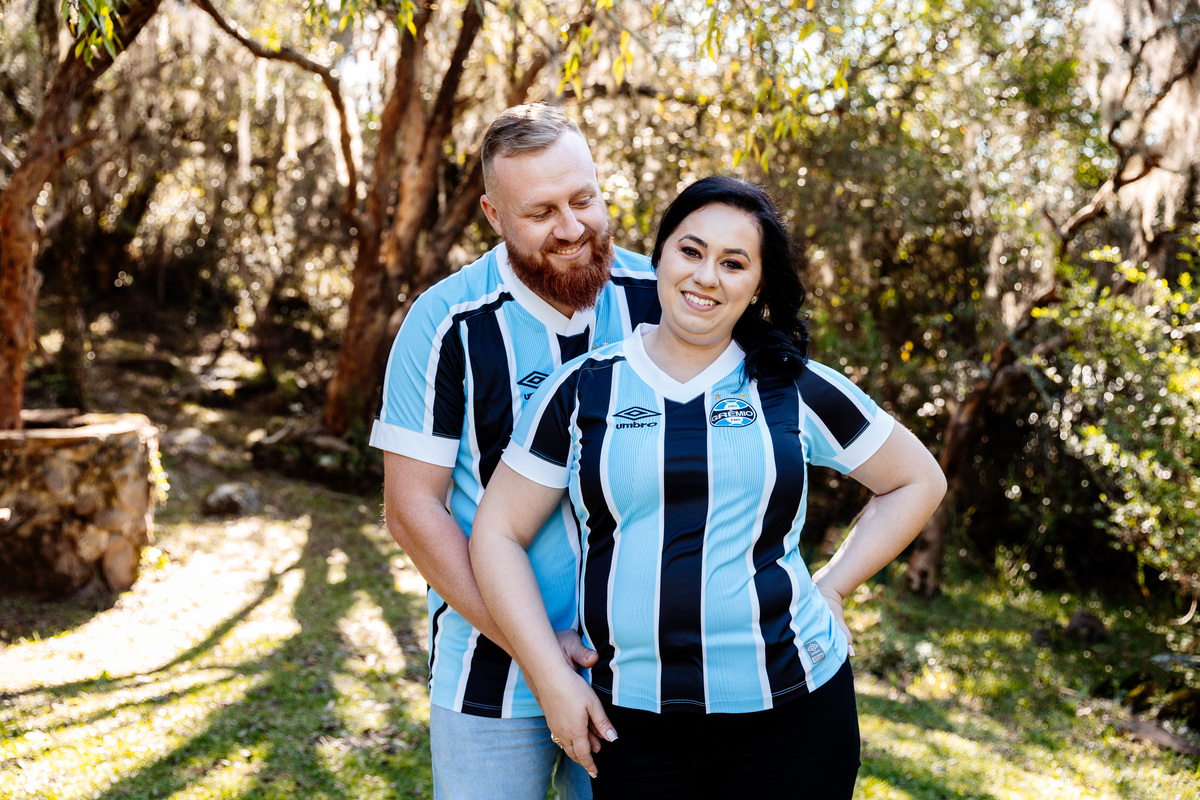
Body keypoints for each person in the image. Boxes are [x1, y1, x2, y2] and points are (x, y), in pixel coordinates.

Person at [470, 176, 947, 799]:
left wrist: (832, 587)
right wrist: (552, 681)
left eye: (734, 263)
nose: (706, 277)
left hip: (794, 717)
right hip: (633, 727)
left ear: (756, 288)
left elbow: (917, 480)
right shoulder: (583, 388)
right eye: (691, 252)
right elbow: (497, 532)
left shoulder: (791, 385)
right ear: (660, 255)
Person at [370, 104, 660, 800]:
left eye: (584, 199)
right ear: (493, 215)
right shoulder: (446, 323)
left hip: (644, 675)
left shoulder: (665, 302)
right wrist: (535, 651)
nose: (571, 228)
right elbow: (412, 510)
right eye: (541, 212)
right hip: (488, 671)